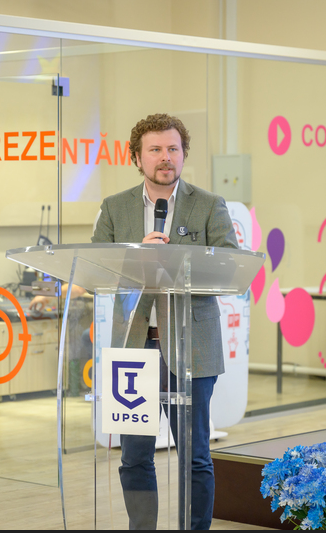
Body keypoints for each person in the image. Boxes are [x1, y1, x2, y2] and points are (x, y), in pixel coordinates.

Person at [92, 113, 237, 530]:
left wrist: (177, 262)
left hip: (192, 347)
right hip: (133, 349)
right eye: (155, 149)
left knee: (195, 455)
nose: (165, 157)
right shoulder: (115, 207)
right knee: (134, 457)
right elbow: (97, 270)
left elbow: (228, 268)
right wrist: (137, 257)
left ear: (183, 154)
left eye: (173, 148)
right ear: (137, 157)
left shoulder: (209, 205)